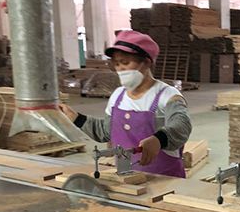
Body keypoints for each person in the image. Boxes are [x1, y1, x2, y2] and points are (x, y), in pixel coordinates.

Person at [60, 30, 191, 177]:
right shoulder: (117, 96)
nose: (120, 68)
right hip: (127, 179)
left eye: (126, 62)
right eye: (116, 64)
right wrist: (76, 118)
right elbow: (106, 132)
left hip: (165, 179)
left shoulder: (167, 95)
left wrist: (159, 139)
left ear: (146, 62)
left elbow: (181, 126)